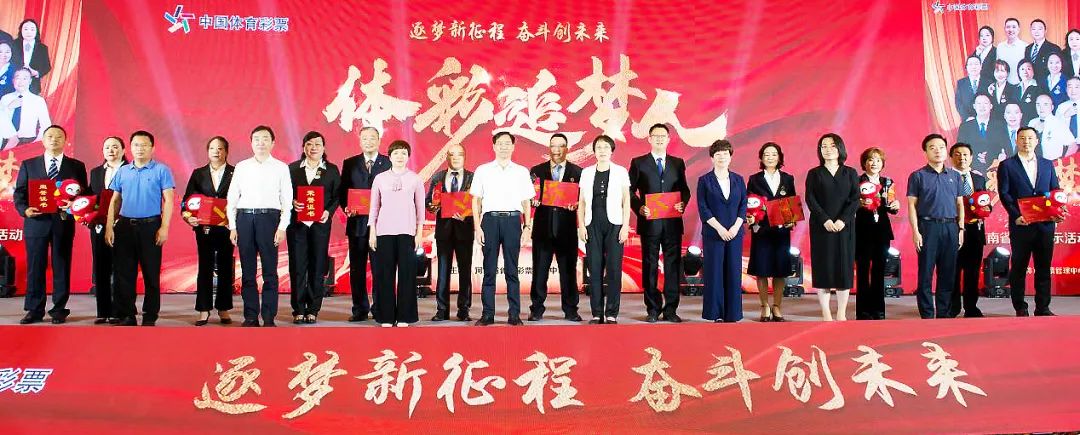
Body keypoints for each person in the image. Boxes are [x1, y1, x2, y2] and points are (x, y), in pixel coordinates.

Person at [12, 125, 86, 324]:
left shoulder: (76, 166)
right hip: (36, 222)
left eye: (59, 136)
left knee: (62, 265)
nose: (54, 139)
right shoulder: (29, 164)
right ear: (43, 141)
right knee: (35, 266)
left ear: (65, 140)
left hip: (63, 222)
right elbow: (19, 193)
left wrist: (74, 204)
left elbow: (84, 193)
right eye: (50, 136)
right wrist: (25, 210)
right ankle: (34, 309)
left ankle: (59, 309)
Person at [104, 130, 176, 326]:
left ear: (152, 148)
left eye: (144, 145)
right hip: (125, 227)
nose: (140, 148)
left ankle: (150, 314)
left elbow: (169, 200)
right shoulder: (123, 171)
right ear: (130, 148)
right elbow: (115, 201)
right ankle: (127, 314)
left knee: (151, 273)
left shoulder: (161, 170)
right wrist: (109, 227)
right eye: (136, 145)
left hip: (150, 226)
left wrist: (164, 227)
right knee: (124, 273)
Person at [226, 125, 292, 327]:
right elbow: (232, 197)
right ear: (251, 143)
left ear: (273, 143)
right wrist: (232, 226)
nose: (261, 143)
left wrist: (282, 227)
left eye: (265, 139)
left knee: (270, 271)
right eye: (256, 139)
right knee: (247, 271)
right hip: (245, 219)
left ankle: (269, 316)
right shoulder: (242, 166)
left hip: (269, 219)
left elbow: (287, 200)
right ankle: (251, 316)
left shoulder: (281, 167)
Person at [470, 132, 535, 326]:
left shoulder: (521, 171)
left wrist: (527, 226)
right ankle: (487, 314)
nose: (504, 147)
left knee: (512, 270)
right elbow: (476, 201)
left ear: (513, 147)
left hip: (513, 221)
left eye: (508, 143)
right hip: (489, 221)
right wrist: (477, 227)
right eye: (500, 143)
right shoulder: (483, 170)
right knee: (489, 270)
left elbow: (526, 201)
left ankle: (514, 314)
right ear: (494, 146)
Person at [628, 123, 691, 323]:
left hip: (672, 222)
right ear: (649, 138)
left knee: (673, 266)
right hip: (650, 223)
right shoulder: (639, 163)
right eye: (656, 136)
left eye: (663, 136)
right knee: (650, 265)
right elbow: (629, 191)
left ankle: (671, 309)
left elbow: (684, 190)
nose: (659, 139)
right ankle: (653, 309)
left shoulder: (677, 163)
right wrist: (639, 207)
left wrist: (682, 203)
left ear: (668, 139)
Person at [997, 127, 1060, 316]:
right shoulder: (1007, 165)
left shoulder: (1047, 164)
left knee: (1043, 267)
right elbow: (1005, 193)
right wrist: (1016, 215)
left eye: (1030, 138)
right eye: (1022, 138)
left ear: (1037, 141)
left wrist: (1057, 211)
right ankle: (1020, 307)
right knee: (1019, 267)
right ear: (1016, 141)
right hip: (1021, 224)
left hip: (1045, 225)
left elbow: (1055, 190)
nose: (1026, 141)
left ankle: (1043, 307)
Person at [906, 134, 964, 319]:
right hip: (928, 227)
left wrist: (961, 229)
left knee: (947, 273)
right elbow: (911, 205)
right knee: (926, 273)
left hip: (951, 227)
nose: (937, 151)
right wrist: (916, 232)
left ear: (946, 151)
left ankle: (944, 313)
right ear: (925, 152)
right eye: (932, 147)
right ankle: (927, 314)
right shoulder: (918, 176)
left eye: (941, 147)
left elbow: (960, 204)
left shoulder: (955, 176)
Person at [368, 140, 424, 327]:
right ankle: (386, 316)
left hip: (407, 231)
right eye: (396, 153)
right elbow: (374, 207)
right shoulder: (380, 178)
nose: (400, 156)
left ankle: (405, 316)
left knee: (407, 275)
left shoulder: (415, 179)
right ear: (390, 157)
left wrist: (419, 233)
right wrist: (372, 232)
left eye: (403, 153)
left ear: (408, 157)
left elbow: (420, 209)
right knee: (385, 274)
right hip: (384, 231)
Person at [286, 131, 340, 324]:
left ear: (323, 148)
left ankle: (313, 309)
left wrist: (328, 212)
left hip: (320, 226)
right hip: (297, 225)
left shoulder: (331, 170)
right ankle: (298, 309)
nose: (313, 147)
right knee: (297, 267)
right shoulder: (292, 169)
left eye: (318, 144)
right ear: (304, 147)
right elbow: (284, 193)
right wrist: (292, 202)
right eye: (309, 144)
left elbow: (337, 196)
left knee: (318, 267)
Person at [528, 133, 582, 322]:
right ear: (549, 148)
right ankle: (536, 309)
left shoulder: (578, 172)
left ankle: (571, 309)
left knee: (568, 272)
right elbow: (528, 195)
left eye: (560, 146)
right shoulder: (536, 171)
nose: (556, 150)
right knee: (539, 272)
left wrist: (577, 204)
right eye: (553, 146)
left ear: (567, 148)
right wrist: (532, 201)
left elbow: (582, 199)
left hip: (567, 230)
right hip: (543, 230)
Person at [578, 135, 631, 324]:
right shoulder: (586, 173)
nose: (602, 151)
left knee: (614, 269)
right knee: (594, 268)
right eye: (599, 147)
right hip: (592, 224)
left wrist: (625, 226)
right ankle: (596, 312)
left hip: (615, 224)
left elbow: (626, 200)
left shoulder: (620, 171)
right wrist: (581, 225)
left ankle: (611, 313)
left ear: (612, 150)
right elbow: (581, 202)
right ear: (594, 151)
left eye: (606, 147)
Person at [805, 133, 859, 321]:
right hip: (822, 228)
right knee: (824, 268)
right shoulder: (814, 173)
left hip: (845, 227)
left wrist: (842, 220)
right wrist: (825, 220)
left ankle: (841, 312)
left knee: (843, 269)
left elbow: (855, 199)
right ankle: (826, 312)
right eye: (824, 146)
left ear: (840, 148)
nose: (828, 150)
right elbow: (810, 199)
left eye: (832, 146)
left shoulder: (850, 173)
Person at [182, 136, 235, 326]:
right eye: (212, 148)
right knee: (205, 267)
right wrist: (188, 216)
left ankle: (223, 308)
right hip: (204, 228)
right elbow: (187, 201)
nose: (216, 152)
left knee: (225, 267)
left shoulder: (235, 172)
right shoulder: (199, 173)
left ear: (226, 152)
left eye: (220, 148)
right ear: (207, 151)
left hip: (227, 228)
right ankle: (203, 309)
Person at [340, 126, 390, 322]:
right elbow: (343, 191)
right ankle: (359, 309)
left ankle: (380, 308)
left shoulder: (388, 162)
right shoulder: (350, 163)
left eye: (372, 138)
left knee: (380, 269)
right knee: (357, 269)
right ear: (360, 141)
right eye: (365, 138)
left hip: (382, 225)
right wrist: (347, 207)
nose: (368, 141)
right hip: (357, 224)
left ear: (379, 141)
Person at [745, 142, 796, 322]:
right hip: (761, 229)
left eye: (774, 154)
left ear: (779, 157)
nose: (770, 157)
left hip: (781, 230)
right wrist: (751, 218)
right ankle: (764, 306)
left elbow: (791, 202)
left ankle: (777, 306)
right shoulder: (754, 179)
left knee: (780, 270)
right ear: (761, 157)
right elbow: (748, 203)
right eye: (766, 154)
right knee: (762, 269)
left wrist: (791, 219)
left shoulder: (788, 179)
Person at [697, 140, 746, 323]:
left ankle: (733, 313)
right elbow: (703, 208)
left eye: (725, 154)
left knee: (733, 272)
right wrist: (720, 228)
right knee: (714, 273)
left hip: (735, 233)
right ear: (712, 158)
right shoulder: (704, 181)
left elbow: (743, 205)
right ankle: (715, 313)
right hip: (713, 234)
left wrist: (735, 227)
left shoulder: (738, 180)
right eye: (718, 154)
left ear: (730, 157)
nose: (722, 157)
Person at [426, 144, 474, 321]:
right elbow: (428, 202)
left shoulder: (472, 177)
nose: (456, 158)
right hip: (444, 231)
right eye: (452, 155)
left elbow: (479, 203)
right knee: (443, 270)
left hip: (465, 230)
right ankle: (442, 310)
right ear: (447, 157)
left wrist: (468, 213)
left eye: (459, 154)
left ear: (464, 157)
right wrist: (433, 206)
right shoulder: (438, 177)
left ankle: (464, 309)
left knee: (465, 271)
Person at [854, 147, 899, 320]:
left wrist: (895, 206)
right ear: (864, 163)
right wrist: (859, 203)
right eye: (870, 159)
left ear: (882, 164)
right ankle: (863, 311)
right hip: (862, 229)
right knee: (863, 270)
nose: (874, 163)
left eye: (878, 160)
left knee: (879, 270)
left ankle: (879, 310)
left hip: (881, 231)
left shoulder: (888, 182)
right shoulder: (856, 181)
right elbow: (850, 204)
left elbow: (891, 204)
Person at [86, 136, 126, 324]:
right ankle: (102, 311)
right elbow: (90, 196)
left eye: (115, 147)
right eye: (107, 147)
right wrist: (84, 213)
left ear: (123, 150)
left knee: (121, 268)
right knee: (101, 267)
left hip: (124, 225)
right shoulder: (95, 172)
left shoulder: (131, 170)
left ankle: (120, 310)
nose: (111, 150)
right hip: (99, 226)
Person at [949, 143, 988, 318]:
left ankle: (971, 307)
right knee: (953, 270)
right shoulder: (947, 177)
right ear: (951, 157)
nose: (962, 158)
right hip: (953, 228)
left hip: (975, 230)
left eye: (965, 154)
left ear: (971, 157)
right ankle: (953, 307)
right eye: (957, 154)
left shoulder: (979, 179)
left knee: (972, 271)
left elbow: (984, 201)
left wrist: (986, 209)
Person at [0, 68, 51, 149]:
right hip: (6, 143)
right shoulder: (5, 98)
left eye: (25, 78)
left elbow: (46, 125)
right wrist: (9, 107)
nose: (21, 82)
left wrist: (35, 143)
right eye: (18, 78)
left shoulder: (38, 100)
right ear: (13, 80)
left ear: (30, 81)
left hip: (28, 142)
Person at [956, 94, 1008, 173]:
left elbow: (1005, 148)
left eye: (985, 103)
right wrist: (972, 169)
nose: (982, 106)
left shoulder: (1000, 126)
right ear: (974, 106)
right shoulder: (965, 127)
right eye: (979, 103)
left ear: (991, 106)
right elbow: (960, 149)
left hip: (996, 169)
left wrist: (990, 158)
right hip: (972, 170)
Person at [1029, 94, 1077, 159]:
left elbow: (1073, 146)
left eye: (1045, 104)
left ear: (1052, 107)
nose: (1041, 108)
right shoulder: (1031, 123)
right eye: (1038, 104)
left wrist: (1062, 162)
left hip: (1053, 162)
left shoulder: (1059, 123)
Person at [11, 19, 50, 95]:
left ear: (36, 32)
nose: (29, 32)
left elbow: (47, 66)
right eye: (25, 29)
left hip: (33, 84)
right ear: (21, 30)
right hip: (14, 83)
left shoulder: (42, 48)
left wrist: (36, 73)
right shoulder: (13, 44)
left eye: (32, 29)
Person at [996, 18, 1027, 84]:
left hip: (1020, 84)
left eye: (1014, 27)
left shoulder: (1025, 47)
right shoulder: (1000, 47)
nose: (1011, 30)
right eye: (1008, 27)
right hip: (1004, 84)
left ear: (1018, 29)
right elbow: (997, 67)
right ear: (1004, 29)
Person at [955, 56, 984, 120]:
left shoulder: (988, 82)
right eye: (970, 64)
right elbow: (958, 102)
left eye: (976, 64)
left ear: (981, 66)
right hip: (968, 120)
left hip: (986, 119)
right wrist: (967, 117)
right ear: (966, 67)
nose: (973, 67)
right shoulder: (961, 83)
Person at [1016, 60, 1043, 125]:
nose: (1025, 72)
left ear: (1033, 71)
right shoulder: (1015, 88)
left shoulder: (1039, 88)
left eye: (1028, 69)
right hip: (1016, 125)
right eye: (1022, 69)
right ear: (1018, 72)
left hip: (1033, 125)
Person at [1055, 77, 1080, 142]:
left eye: (1077, 87)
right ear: (1066, 89)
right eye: (1070, 87)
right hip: (1066, 144)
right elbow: (1055, 129)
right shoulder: (1061, 107)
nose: (1073, 90)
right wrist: (1065, 116)